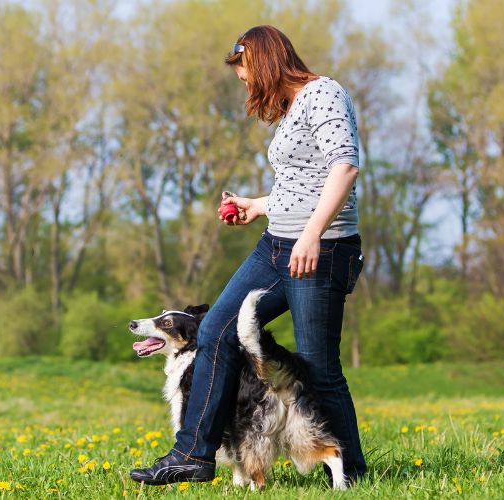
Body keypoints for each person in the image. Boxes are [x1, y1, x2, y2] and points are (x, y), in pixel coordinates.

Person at [129, 24, 367, 486]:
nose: (246, 86)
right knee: (215, 328)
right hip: (277, 244)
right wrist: (258, 206)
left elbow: (345, 164)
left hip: (321, 249)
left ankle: (352, 473)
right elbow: (301, 182)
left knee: (318, 366)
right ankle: (193, 456)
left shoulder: (325, 94)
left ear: (264, 63)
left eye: (245, 75)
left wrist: (313, 233)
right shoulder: (294, 106)